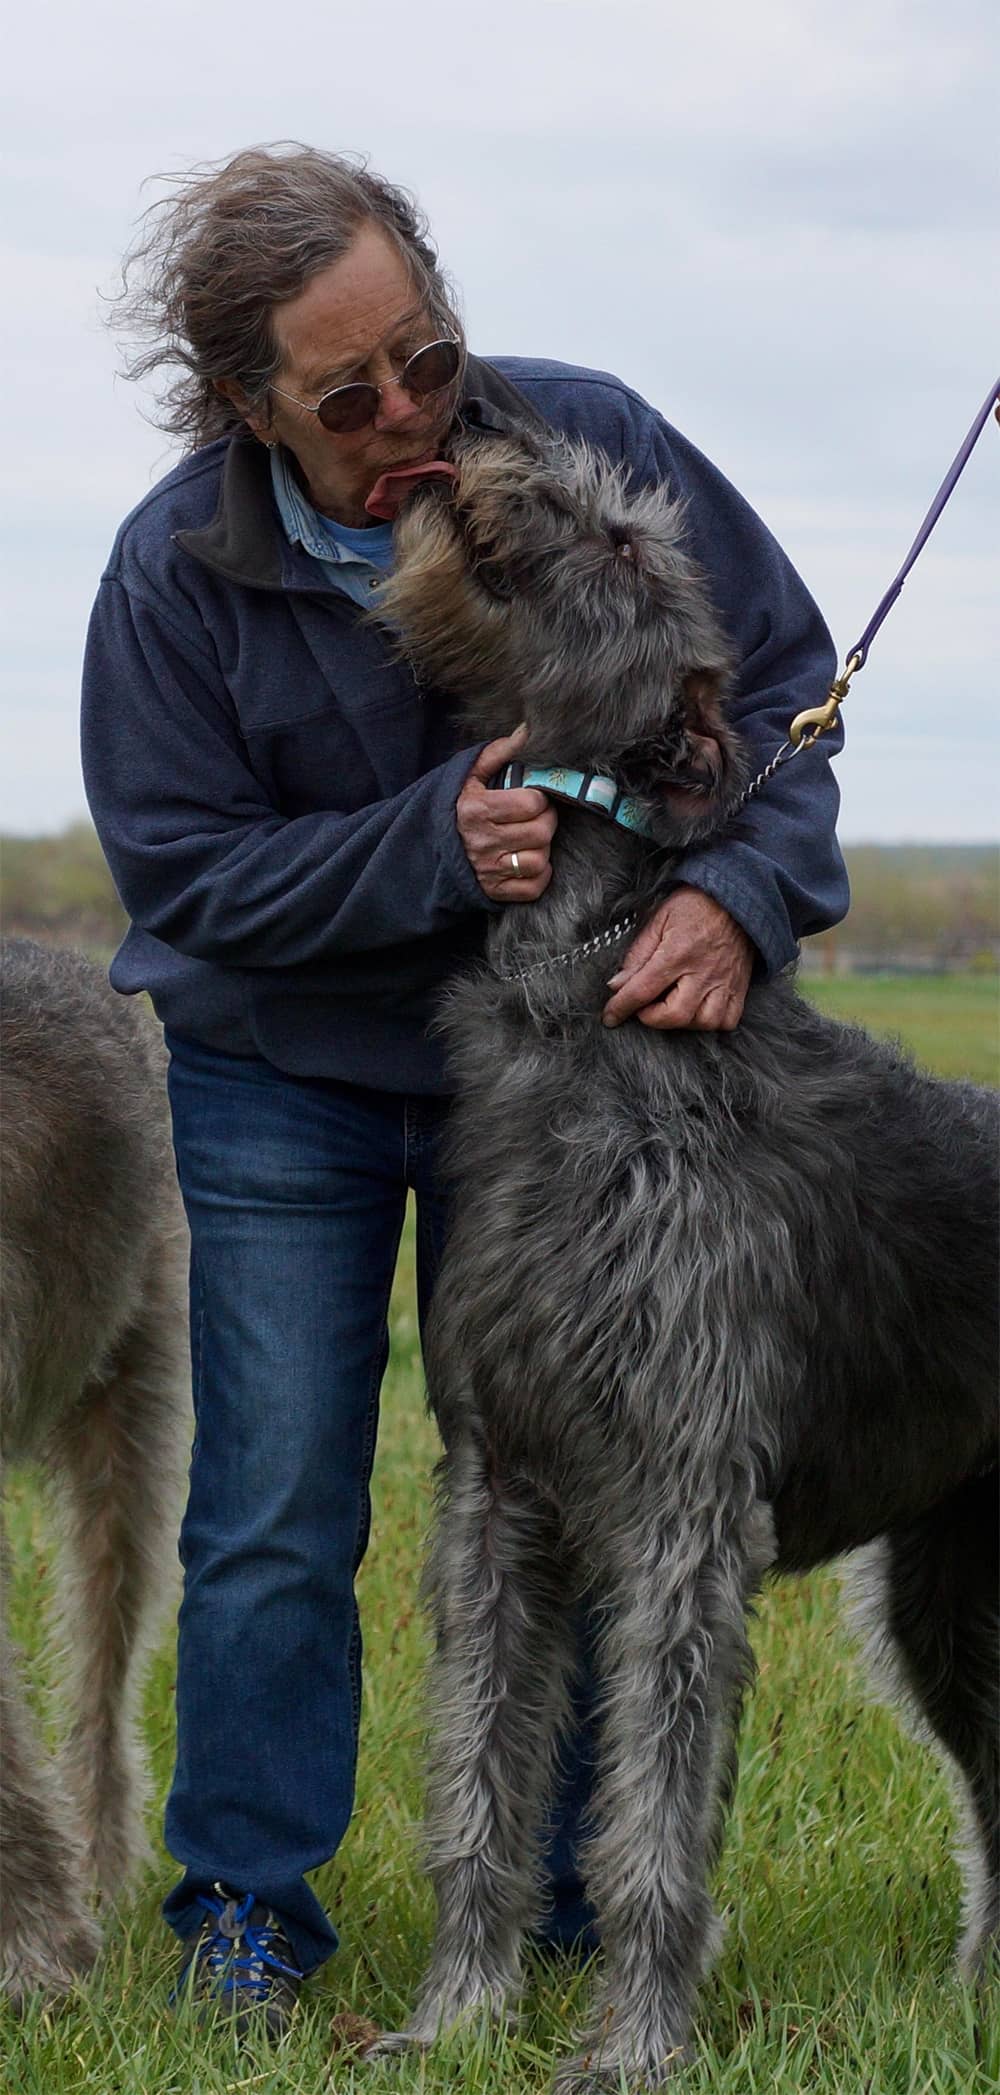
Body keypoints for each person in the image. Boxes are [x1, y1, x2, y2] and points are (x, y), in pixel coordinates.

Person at [82, 144, 849, 2029]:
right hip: (296, 1090)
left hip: (591, 1082)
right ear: (244, 405)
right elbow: (185, 876)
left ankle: (589, 1909)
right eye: (348, 397)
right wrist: (430, 844)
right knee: (275, 1511)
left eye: (424, 354)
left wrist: (746, 898)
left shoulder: (591, 451)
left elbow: (783, 701)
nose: (409, 413)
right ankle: (249, 1914)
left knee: (578, 1485)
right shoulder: (171, 576)